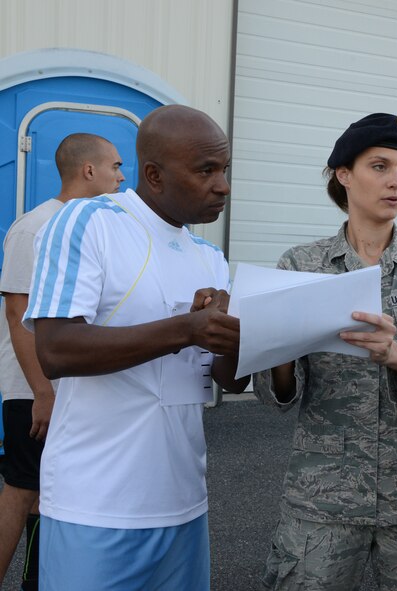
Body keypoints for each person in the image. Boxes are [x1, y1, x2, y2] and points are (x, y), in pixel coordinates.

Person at [23, 105, 249, 591]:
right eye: (206, 170)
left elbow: (230, 380)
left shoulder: (210, 257)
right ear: (154, 175)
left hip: (184, 505)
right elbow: (57, 350)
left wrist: (240, 336)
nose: (223, 185)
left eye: (225, 170)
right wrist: (186, 328)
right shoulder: (90, 222)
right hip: (96, 508)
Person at [253, 113, 397, 590]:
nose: (396, 181)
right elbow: (277, 395)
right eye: (380, 166)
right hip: (325, 492)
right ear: (344, 175)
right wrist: (277, 353)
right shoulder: (301, 265)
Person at [0, 133, 124, 590]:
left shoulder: (96, 226)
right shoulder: (35, 227)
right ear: (88, 170)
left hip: (68, 388)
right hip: (32, 389)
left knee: (55, 494)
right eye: (115, 166)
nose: (121, 175)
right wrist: (43, 393)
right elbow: (17, 314)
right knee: (23, 489)